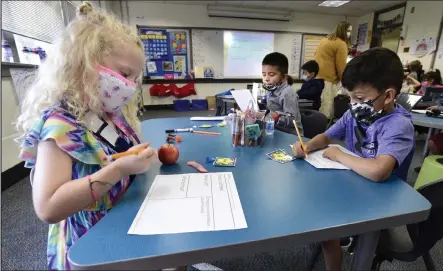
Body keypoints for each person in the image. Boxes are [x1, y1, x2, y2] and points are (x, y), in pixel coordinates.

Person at [15, 3, 157, 270]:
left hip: (122, 226)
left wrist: (134, 158)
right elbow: (48, 208)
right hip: (91, 247)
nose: (129, 86)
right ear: (84, 64)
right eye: (124, 74)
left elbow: (112, 154)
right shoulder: (60, 126)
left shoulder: (110, 114)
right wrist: (119, 169)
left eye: (135, 78)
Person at [292, 48, 415, 271]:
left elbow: (379, 171)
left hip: (385, 201)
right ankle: (337, 244)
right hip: (356, 185)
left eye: (359, 98)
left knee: (326, 225)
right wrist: (307, 145)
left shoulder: (398, 125)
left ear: (388, 96)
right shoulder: (354, 113)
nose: (352, 104)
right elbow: (327, 136)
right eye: (349, 97)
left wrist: (338, 154)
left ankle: (345, 242)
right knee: (312, 204)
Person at [314, 21, 352, 119]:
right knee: (328, 110)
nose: (349, 34)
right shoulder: (341, 44)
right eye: (348, 31)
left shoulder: (325, 40)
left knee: (319, 108)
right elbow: (341, 67)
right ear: (342, 31)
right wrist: (347, 83)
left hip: (317, 79)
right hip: (328, 81)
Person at [261, 52, 303, 135]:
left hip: (291, 136)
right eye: (264, 74)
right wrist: (260, 114)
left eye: (271, 75)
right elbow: (271, 112)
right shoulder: (271, 90)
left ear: (284, 77)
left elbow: (292, 120)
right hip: (276, 131)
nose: (266, 79)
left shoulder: (288, 93)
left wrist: (275, 116)